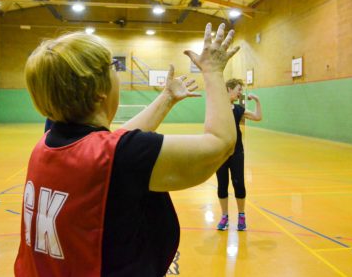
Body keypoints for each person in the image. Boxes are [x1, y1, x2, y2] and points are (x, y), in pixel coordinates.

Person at [14, 22, 240, 276]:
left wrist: (166, 98)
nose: (117, 73)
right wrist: (212, 71)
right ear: (100, 91)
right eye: (113, 67)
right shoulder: (121, 156)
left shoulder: (46, 144)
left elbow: (114, 143)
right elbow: (221, 144)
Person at [216, 78, 262, 232]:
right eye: (239, 89)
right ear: (229, 89)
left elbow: (257, 117)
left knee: (239, 184)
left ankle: (241, 216)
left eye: (241, 90)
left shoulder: (238, 109)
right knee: (222, 185)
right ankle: (224, 216)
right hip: (221, 153)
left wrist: (257, 101)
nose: (240, 92)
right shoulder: (217, 108)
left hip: (237, 152)